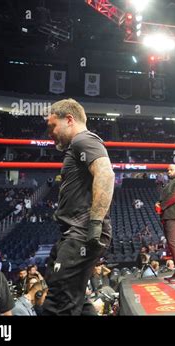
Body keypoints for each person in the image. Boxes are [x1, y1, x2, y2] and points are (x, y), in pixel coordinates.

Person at [42, 98, 114, 315]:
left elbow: (105, 173)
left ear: (69, 119)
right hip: (72, 233)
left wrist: (95, 223)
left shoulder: (84, 140)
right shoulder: (77, 146)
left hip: (81, 232)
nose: (50, 133)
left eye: (52, 125)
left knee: (58, 304)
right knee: (71, 295)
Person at [156, 165, 175, 283]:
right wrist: (158, 203)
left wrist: (162, 206)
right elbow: (163, 198)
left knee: (174, 242)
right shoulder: (168, 184)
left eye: (171, 170)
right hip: (169, 215)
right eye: (168, 170)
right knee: (172, 243)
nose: (169, 172)